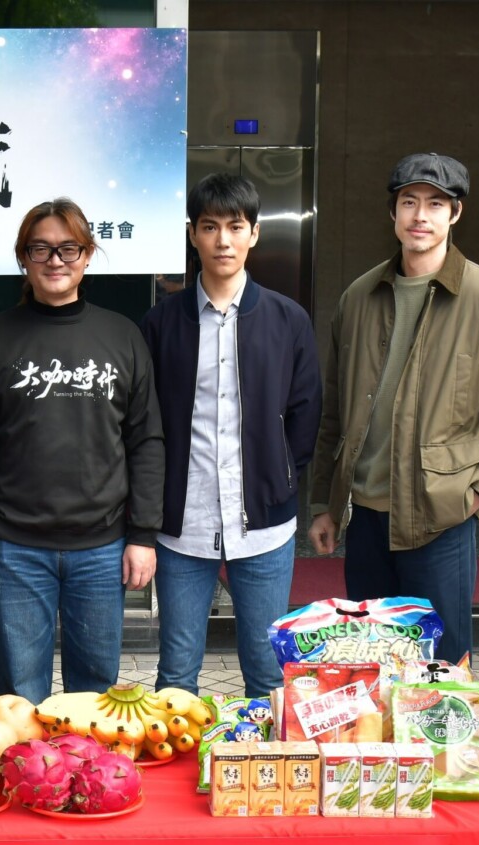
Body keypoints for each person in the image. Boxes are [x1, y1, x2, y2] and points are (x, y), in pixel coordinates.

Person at [308, 153, 479, 663]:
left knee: (441, 663)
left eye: (436, 203)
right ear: (393, 212)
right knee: (374, 659)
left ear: (455, 213)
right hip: (365, 516)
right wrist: (324, 503)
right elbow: (335, 411)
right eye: (409, 202)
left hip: (441, 517)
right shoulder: (359, 298)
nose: (420, 215)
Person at [0, 198, 165, 705]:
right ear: (23, 258)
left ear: (87, 255)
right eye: (41, 249)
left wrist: (143, 534)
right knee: (18, 699)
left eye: (68, 248)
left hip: (102, 546)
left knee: (95, 699)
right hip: (14, 548)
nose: (55, 260)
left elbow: (146, 441)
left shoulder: (122, 335)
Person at [141, 174, 321, 698]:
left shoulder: (287, 319)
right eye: (210, 226)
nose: (223, 240)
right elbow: (144, 422)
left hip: (264, 525)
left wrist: (278, 477)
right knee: (177, 674)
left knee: (266, 674)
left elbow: (306, 412)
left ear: (254, 233)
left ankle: (265, 755)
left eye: (236, 227)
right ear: (192, 234)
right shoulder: (160, 323)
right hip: (182, 524)